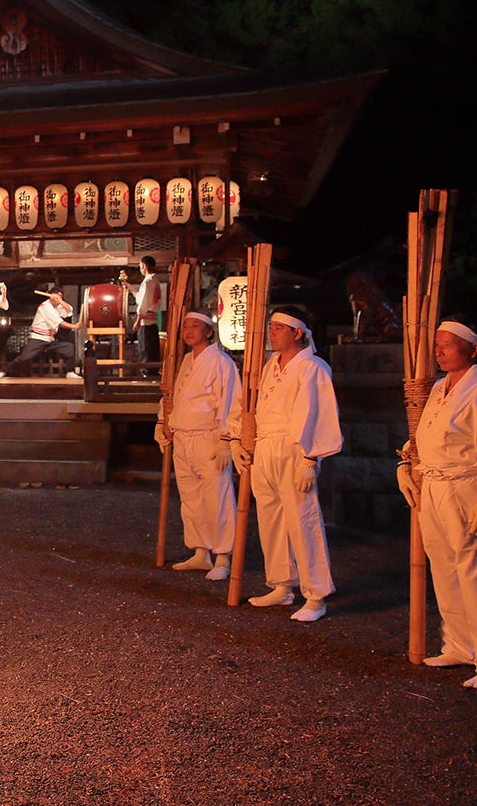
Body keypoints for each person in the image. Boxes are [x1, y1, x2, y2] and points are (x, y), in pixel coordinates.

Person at [396, 319, 477, 692]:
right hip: (434, 486)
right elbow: (425, 432)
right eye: (437, 344)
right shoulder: (438, 388)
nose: (438, 351)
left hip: (469, 486)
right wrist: (407, 463)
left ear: (473, 349)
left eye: (448, 345)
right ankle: (459, 644)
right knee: (445, 569)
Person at [228, 308, 342, 622]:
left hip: (294, 449)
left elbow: (320, 413)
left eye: (279, 328)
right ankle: (281, 583)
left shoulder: (313, 367)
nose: (272, 333)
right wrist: (239, 439)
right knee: (270, 517)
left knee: (303, 520)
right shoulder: (268, 366)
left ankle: (316, 595)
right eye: (271, 327)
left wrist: (310, 457)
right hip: (266, 446)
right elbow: (251, 406)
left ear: (298, 333)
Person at [156, 312, 238, 581]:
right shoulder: (187, 360)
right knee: (191, 499)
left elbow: (230, 400)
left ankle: (223, 556)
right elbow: (175, 397)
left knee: (217, 497)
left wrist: (227, 438)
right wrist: (163, 421)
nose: (189, 331)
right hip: (183, 436)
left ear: (209, 332)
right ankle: (201, 552)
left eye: (195, 327)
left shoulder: (221, 362)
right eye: (185, 327)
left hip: (208, 436)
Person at [3, 285, 81, 376]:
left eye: (59, 297)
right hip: (38, 338)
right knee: (23, 357)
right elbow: (59, 322)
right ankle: (4, 371)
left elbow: (69, 310)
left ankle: (70, 372)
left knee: (69, 348)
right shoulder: (45, 307)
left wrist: (61, 301)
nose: (56, 300)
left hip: (50, 339)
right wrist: (74, 326)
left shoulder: (57, 306)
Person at [124, 256, 163, 373]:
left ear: (144, 266)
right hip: (151, 321)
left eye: (140, 266)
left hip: (146, 321)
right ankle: (150, 373)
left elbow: (143, 304)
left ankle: (148, 374)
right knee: (150, 349)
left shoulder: (148, 281)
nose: (140, 269)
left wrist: (137, 320)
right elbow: (142, 298)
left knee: (146, 350)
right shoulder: (154, 280)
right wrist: (130, 288)